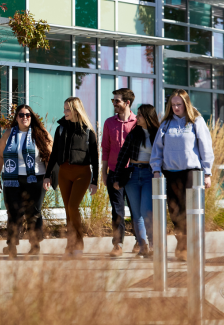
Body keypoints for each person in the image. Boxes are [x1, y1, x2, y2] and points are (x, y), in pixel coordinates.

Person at [150, 89, 214, 261]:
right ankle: (182, 242)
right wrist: (156, 169)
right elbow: (157, 149)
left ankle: (186, 247)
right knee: (174, 211)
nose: (176, 108)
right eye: (173, 105)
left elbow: (205, 147)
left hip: (191, 173)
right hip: (170, 173)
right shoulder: (166, 124)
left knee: (187, 210)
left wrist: (207, 173)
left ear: (186, 104)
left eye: (179, 105)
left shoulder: (196, 121)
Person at [43, 97, 98, 259]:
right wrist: (47, 176)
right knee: (68, 210)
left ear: (76, 110)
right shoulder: (60, 129)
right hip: (63, 173)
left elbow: (94, 157)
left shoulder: (89, 131)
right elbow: (53, 155)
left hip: (82, 173)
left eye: (68, 109)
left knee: (73, 206)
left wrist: (95, 181)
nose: (64, 112)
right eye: (64, 109)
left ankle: (79, 243)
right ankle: (70, 244)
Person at [0, 105, 52, 258]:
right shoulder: (8, 134)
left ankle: (35, 245)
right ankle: (11, 246)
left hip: (36, 179)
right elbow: (0, 156)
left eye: (28, 115)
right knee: (13, 213)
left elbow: (49, 156)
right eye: (21, 115)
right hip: (12, 179)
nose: (24, 117)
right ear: (16, 117)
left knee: (33, 213)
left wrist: (48, 176)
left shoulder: (40, 133)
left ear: (32, 117)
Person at [113, 105, 160, 257]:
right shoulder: (133, 134)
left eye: (139, 115)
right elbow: (122, 156)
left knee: (147, 212)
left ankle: (153, 244)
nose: (136, 117)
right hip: (133, 174)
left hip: (149, 175)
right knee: (136, 213)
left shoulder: (158, 134)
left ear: (147, 117)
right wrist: (117, 178)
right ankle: (143, 245)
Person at [101, 88, 137, 257]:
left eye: (117, 101)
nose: (114, 104)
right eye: (113, 100)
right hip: (114, 172)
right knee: (117, 210)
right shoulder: (109, 123)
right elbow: (106, 149)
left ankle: (140, 240)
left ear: (127, 103)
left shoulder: (137, 122)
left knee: (136, 208)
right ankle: (118, 244)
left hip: (133, 173)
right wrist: (103, 171)